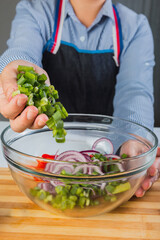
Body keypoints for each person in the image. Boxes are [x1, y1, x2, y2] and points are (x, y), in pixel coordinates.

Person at [0, 0, 159, 197]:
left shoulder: (134, 26)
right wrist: (15, 68)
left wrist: (135, 142)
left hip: (107, 153)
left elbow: (135, 90)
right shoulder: (36, 10)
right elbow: (21, 49)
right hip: (43, 148)